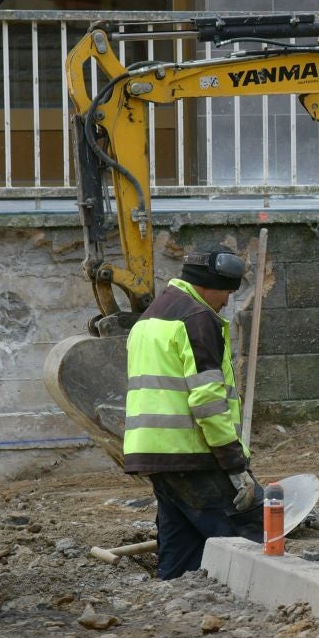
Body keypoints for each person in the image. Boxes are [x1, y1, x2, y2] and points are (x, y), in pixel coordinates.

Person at [122, 247, 263, 579]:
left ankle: (174, 606)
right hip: (192, 452)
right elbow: (208, 400)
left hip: (154, 455)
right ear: (207, 284)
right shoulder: (196, 319)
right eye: (227, 291)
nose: (227, 301)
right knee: (251, 534)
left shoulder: (151, 318)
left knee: (182, 545)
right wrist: (233, 461)